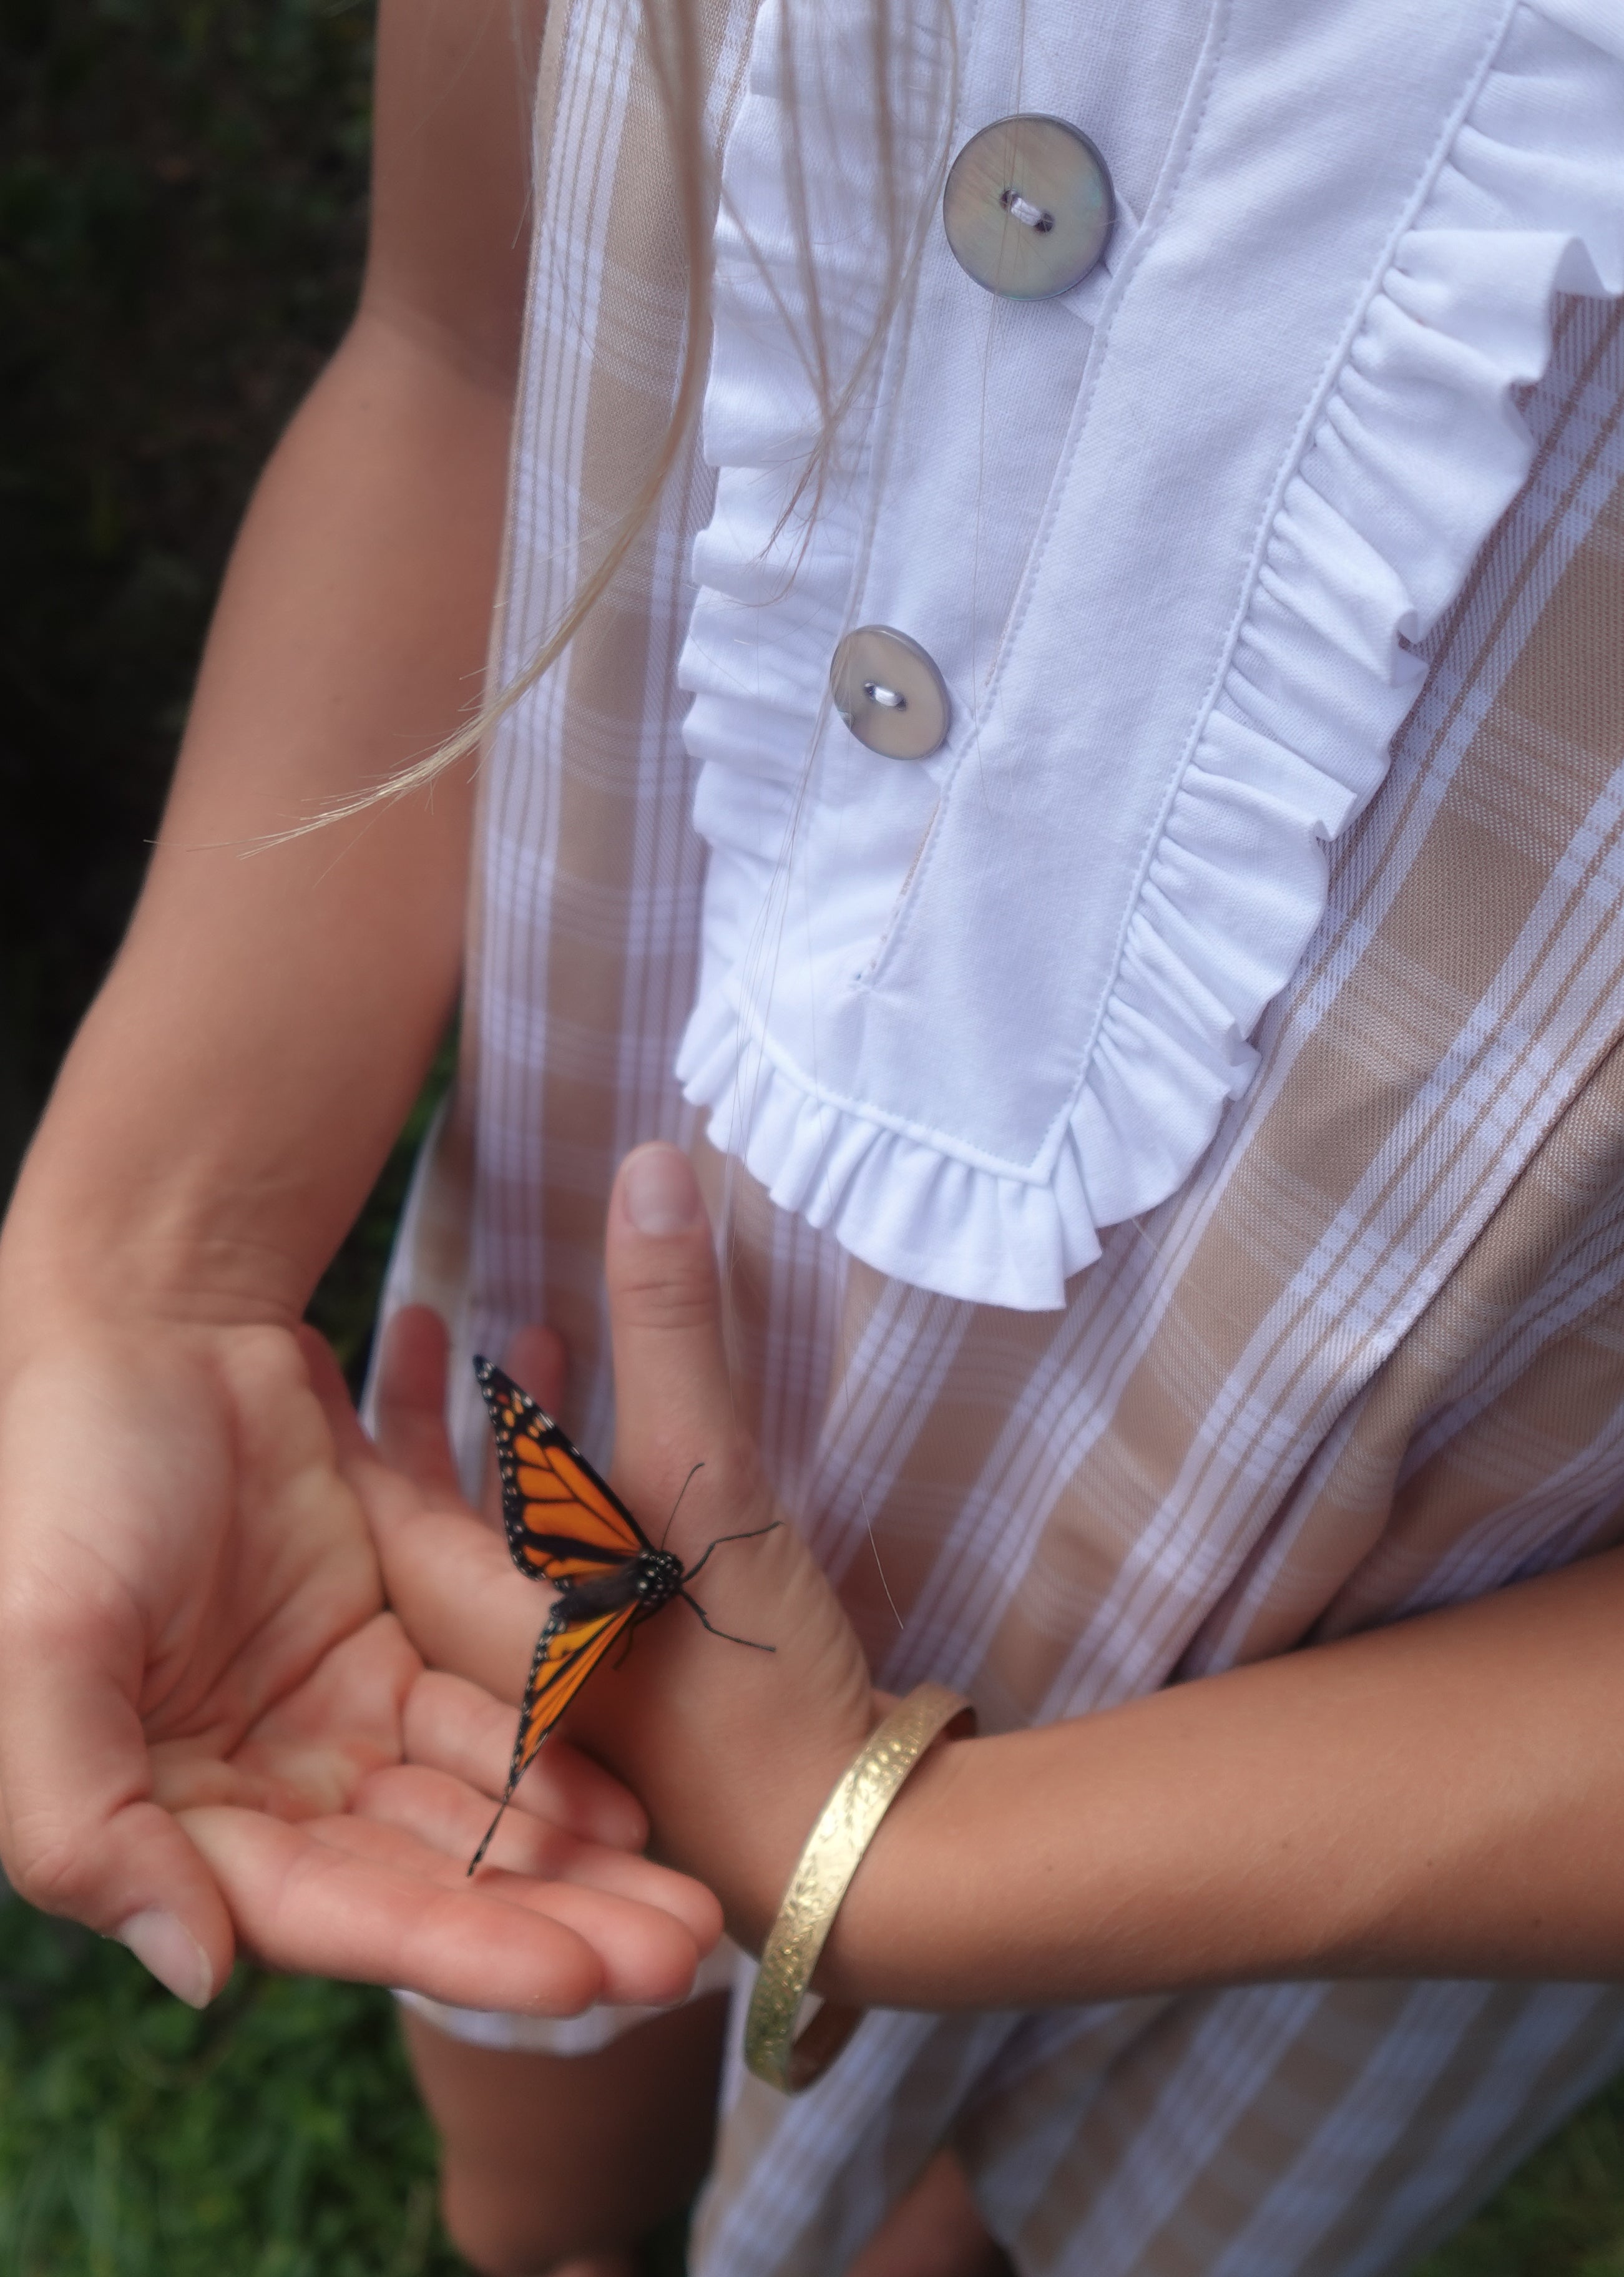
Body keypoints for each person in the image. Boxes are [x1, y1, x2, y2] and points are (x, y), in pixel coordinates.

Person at [1, 0, 1623, 2272]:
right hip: (637, 1335)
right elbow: (466, 346)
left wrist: (907, 1862)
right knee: (531, 1986)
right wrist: (136, 1272)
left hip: (1414, 1697)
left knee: (1005, 2200)